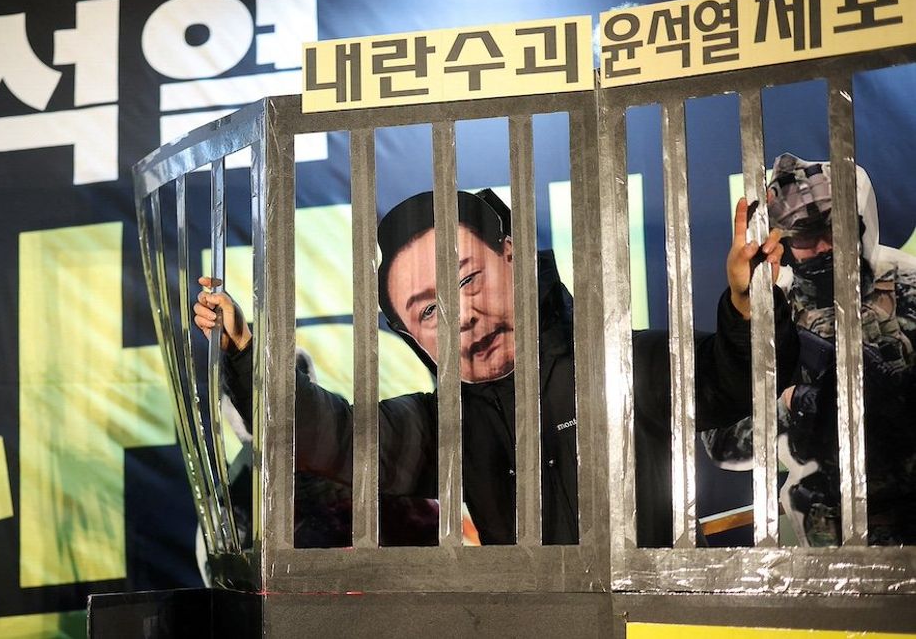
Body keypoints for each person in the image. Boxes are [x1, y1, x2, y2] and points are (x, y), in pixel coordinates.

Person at [196, 188, 796, 546]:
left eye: (466, 281)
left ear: (511, 257)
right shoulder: (442, 429)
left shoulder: (618, 364)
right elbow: (336, 437)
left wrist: (748, 308)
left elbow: (733, 380)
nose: (459, 317)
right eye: (428, 310)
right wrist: (246, 356)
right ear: (412, 337)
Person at [702, 153, 916, 545]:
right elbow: (719, 441)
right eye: (802, 236)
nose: (818, 248)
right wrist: (791, 404)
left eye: (830, 232)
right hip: (829, 535)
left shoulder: (908, 285)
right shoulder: (772, 309)